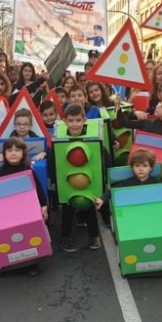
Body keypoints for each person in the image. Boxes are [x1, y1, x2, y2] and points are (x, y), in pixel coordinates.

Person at [0, 137, 48, 278]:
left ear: (23, 153)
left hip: (25, 212)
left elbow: (38, 190)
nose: (13, 153)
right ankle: (2, 264)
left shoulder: (28, 171)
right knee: (2, 238)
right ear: (4, 153)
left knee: (28, 235)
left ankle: (31, 263)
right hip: (4, 214)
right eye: (9, 150)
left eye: (17, 150)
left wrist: (44, 206)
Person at [95, 149, 162, 237]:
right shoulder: (128, 182)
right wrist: (102, 199)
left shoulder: (155, 182)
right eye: (137, 166)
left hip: (152, 213)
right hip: (134, 214)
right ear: (132, 167)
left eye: (144, 166)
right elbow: (113, 191)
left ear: (151, 167)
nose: (140, 169)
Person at [57, 104, 111, 252]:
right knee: (67, 209)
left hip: (88, 181)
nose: (74, 124)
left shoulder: (92, 138)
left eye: (78, 120)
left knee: (89, 208)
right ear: (64, 121)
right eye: (71, 120)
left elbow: (104, 156)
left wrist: (105, 176)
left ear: (85, 120)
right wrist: (54, 182)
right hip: (68, 182)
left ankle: (94, 236)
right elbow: (54, 159)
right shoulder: (59, 139)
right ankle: (65, 237)